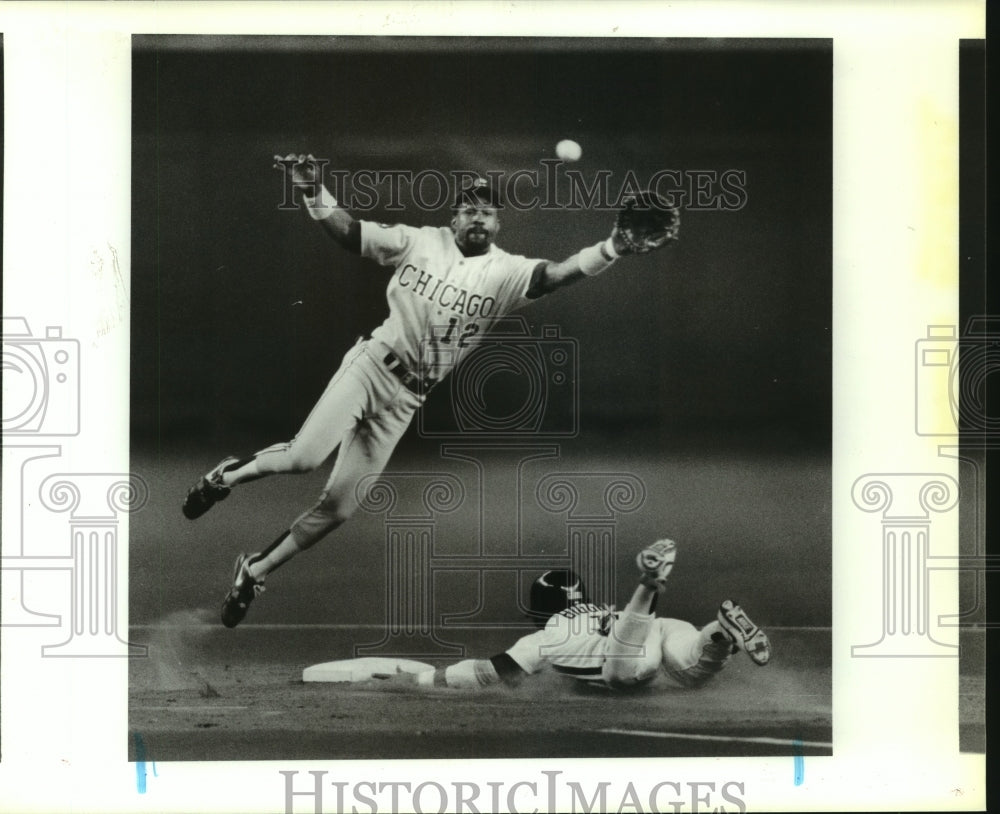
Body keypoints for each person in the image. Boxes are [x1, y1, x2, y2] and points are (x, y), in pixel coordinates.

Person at [182, 154, 676, 627]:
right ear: (453, 217)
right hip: (372, 366)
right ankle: (224, 477)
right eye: (469, 208)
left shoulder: (506, 271)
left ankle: (253, 572)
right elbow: (349, 232)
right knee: (303, 457)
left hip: (409, 398)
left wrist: (611, 249)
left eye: (487, 210)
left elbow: (559, 275)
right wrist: (313, 190)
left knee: (340, 507)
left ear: (498, 224)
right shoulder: (418, 241)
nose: (478, 216)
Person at [380, 539, 771, 691]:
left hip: (627, 651)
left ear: (542, 608)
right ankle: (718, 631)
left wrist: (420, 679)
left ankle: (650, 583)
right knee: (691, 669)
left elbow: (489, 672)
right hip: (653, 626)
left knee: (624, 672)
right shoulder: (597, 608)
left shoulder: (545, 635)